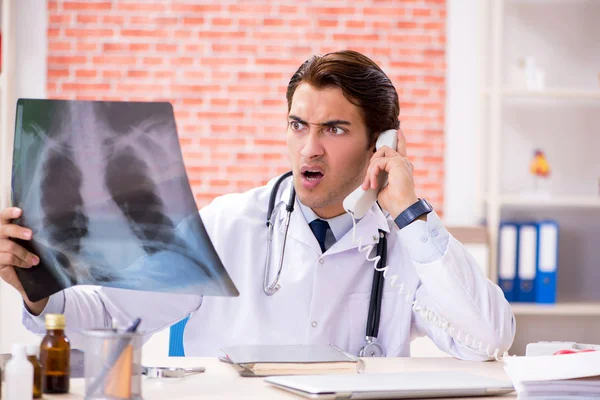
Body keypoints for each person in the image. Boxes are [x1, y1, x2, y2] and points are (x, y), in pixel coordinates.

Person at [0, 50, 515, 359]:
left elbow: (488, 340)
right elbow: (113, 314)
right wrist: (39, 293)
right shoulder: (229, 225)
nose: (309, 147)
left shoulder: (406, 241)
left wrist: (410, 213)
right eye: (298, 125)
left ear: (380, 143)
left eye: (334, 129)